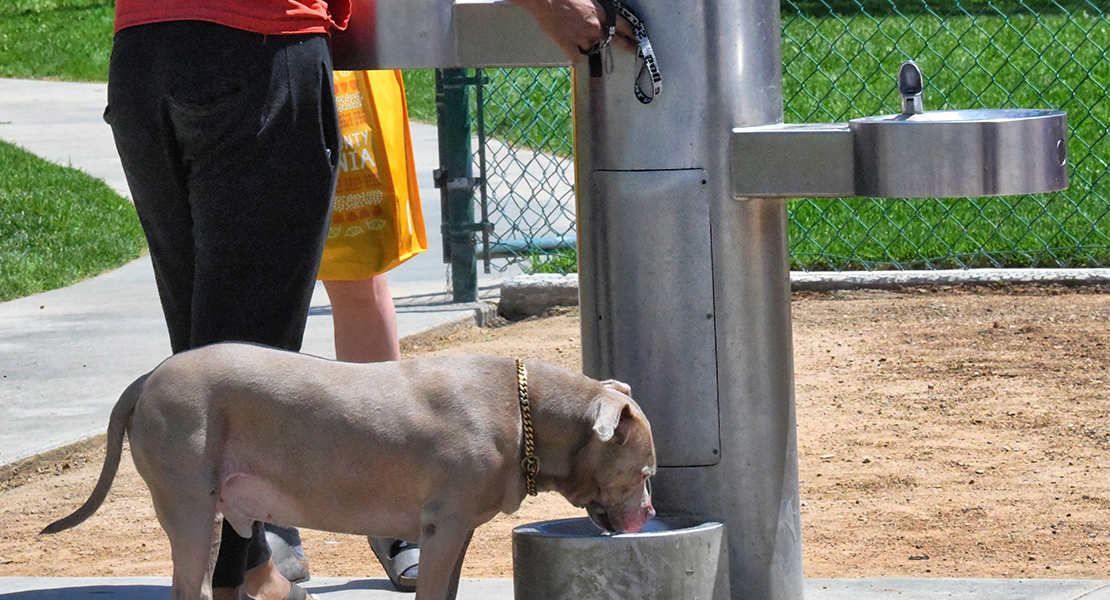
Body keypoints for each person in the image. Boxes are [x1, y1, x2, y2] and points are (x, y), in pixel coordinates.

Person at [104, 0, 634, 598]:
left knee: (203, 336)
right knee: (242, 348)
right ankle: (238, 583)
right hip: (256, 48)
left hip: (141, 49)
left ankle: (249, 569)